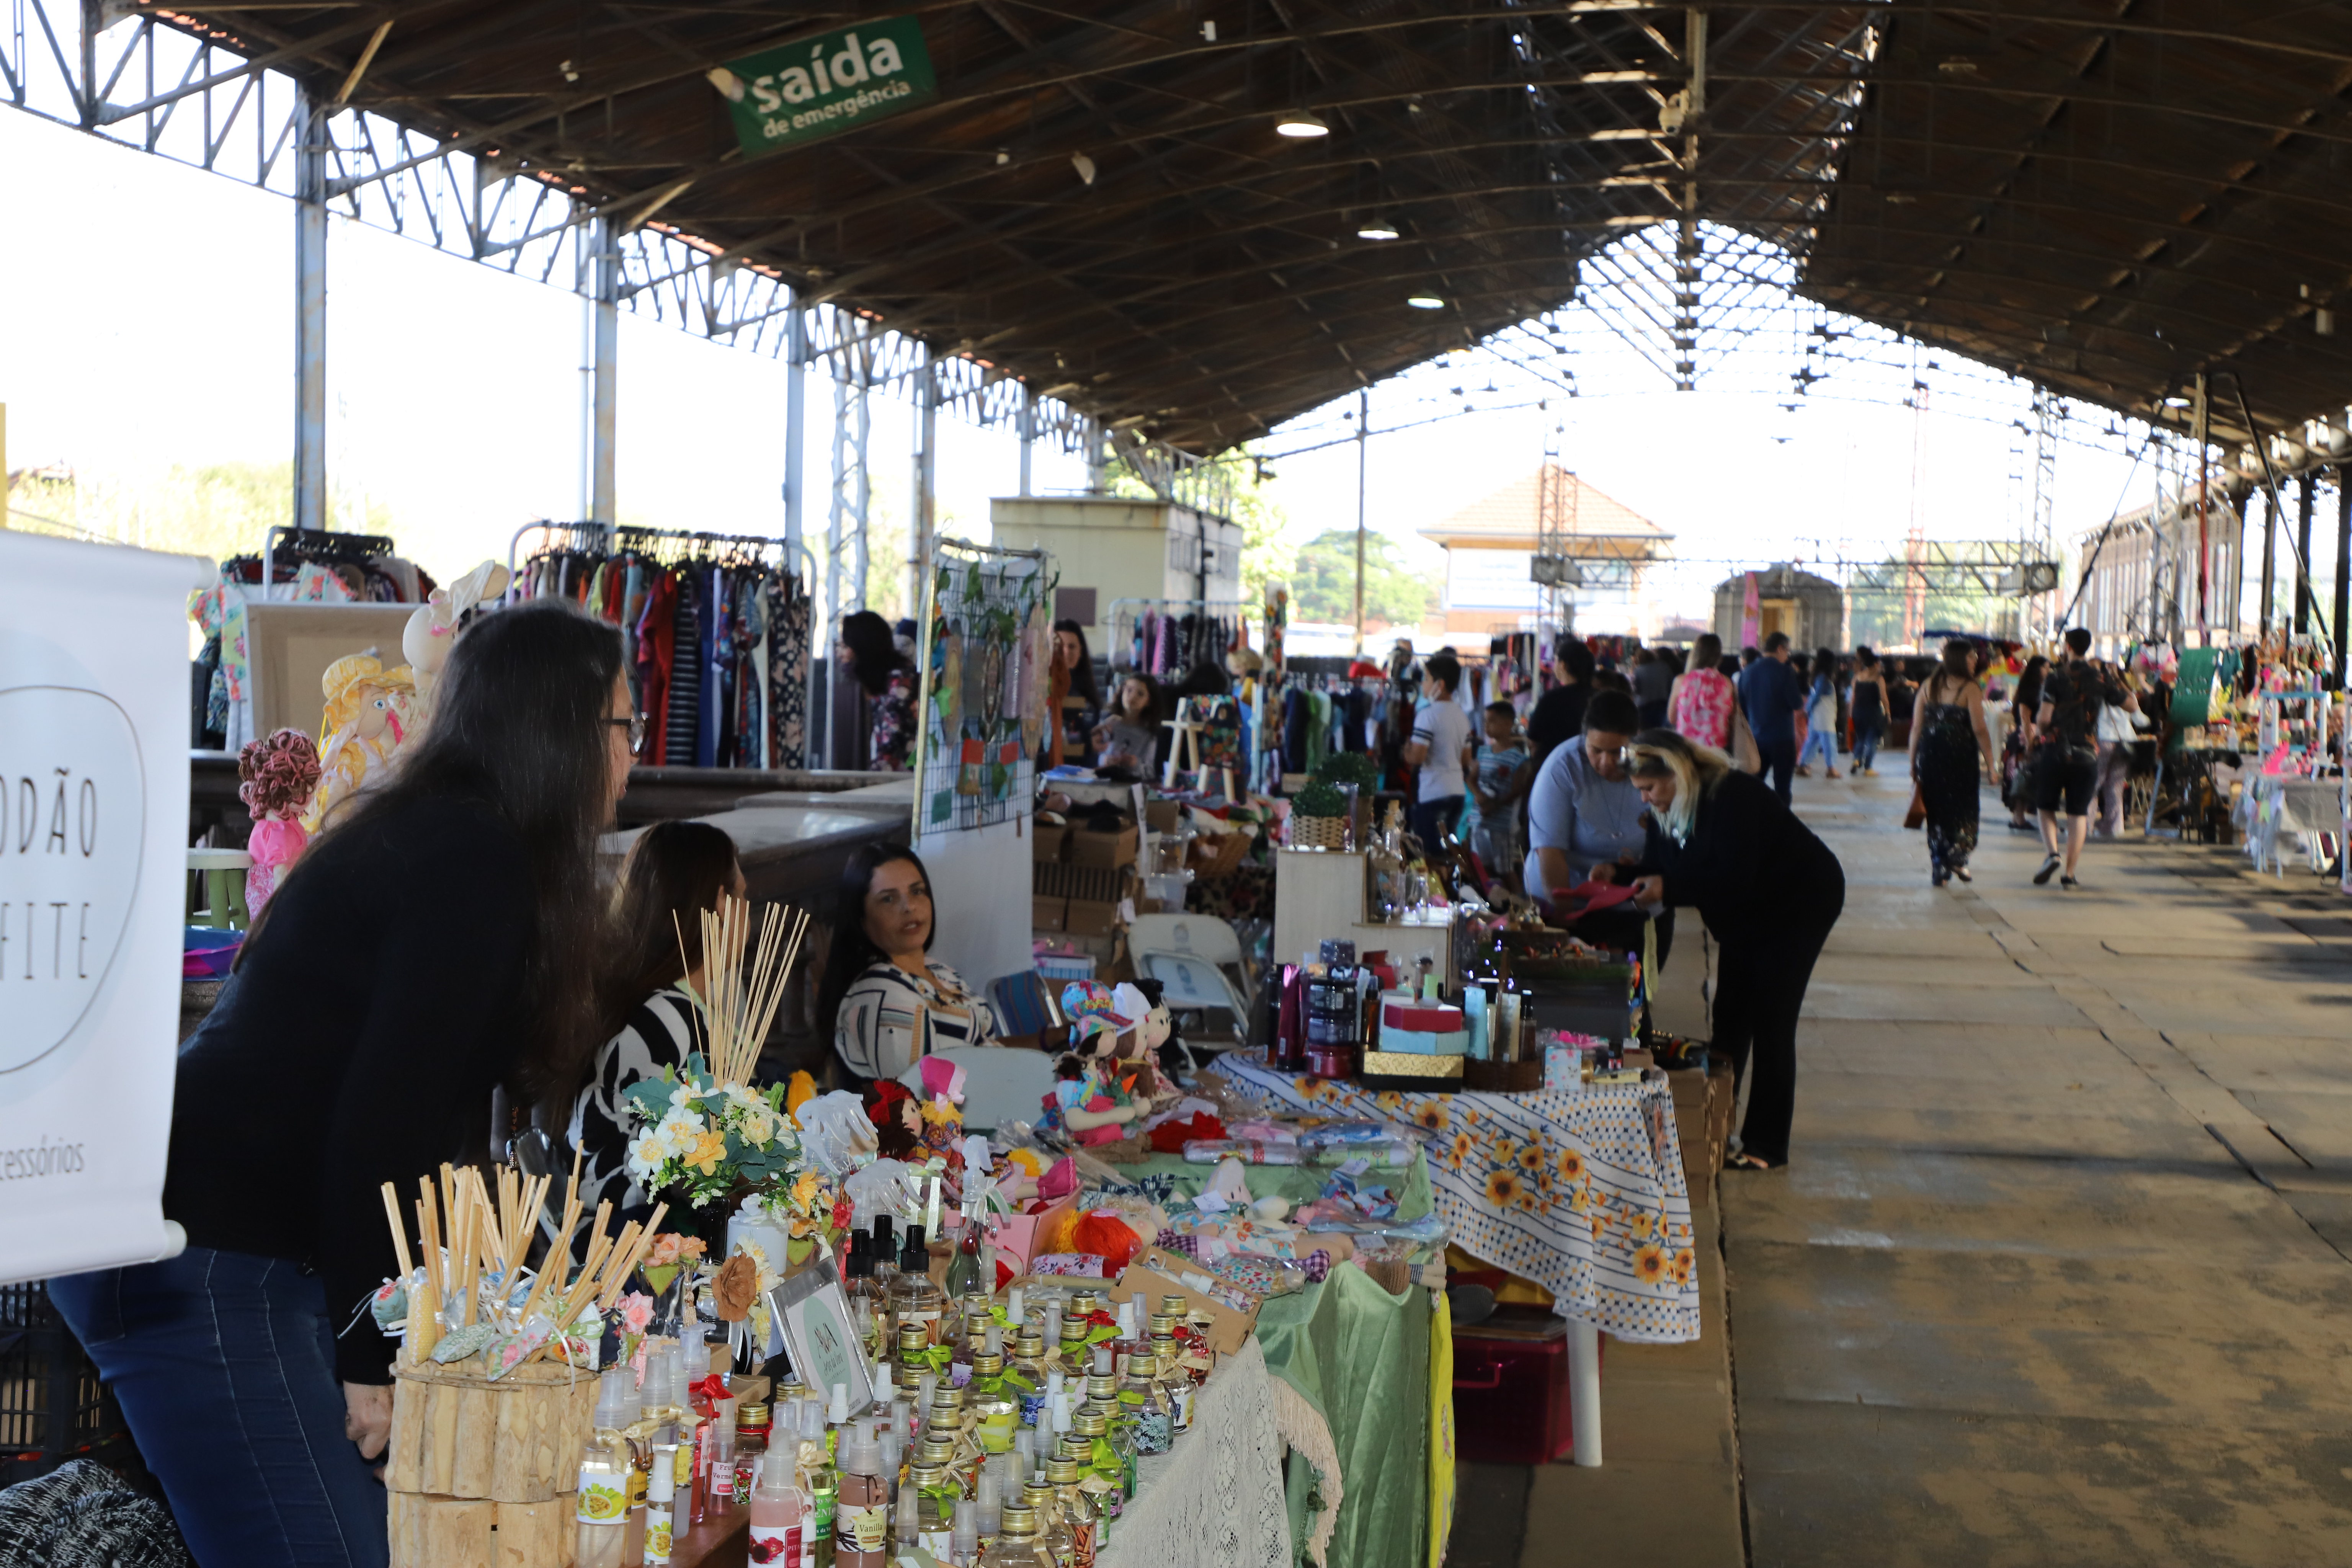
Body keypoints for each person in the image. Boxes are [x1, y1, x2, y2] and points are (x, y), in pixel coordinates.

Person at [48, 601, 629, 1568]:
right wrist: (370, 1359)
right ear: (558, 730)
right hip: (202, 1248)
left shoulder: (443, 836)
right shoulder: (470, 856)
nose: (633, 756)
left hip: (213, 1235)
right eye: (622, 727)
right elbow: (381, 1126)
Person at [1626, 729, 1844, 1172]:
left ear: (1677, 773)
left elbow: (1734, 876)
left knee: (1771, 1018)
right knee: (1730, 1014)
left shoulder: (1732, 796)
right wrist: (1622, 874)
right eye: (1640, 792)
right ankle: (1714, 1125)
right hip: (1747, 910)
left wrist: (1670, 887)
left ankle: (1766, 1144)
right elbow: (1660, 865)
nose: (1647, 799)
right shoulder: (1671, 808)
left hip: (1798, 900)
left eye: (1650, 788)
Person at [566, 820, 747, 1243]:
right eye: (744, 895)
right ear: (721, 904)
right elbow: (692, 1170)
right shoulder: (666, 1016)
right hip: (632, 1249)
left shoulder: (669, 1003)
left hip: (648, 1235)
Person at [819, 842, 1000, 1085]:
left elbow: (988, 1047)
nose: (909, 907)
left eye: (917, 892)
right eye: (888, 899)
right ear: (861, 919)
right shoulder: (882, 993)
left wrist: (1049, 1041)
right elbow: (919, 1098)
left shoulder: (938, 971)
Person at [1523, 689, 1655, 931]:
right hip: (1566, 895)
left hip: (1635, 895)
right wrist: (1565, 923)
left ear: (1636, 740)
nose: (1606, 762)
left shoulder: (1655, 764)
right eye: (1596, 751)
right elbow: (1550, 853)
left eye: (1618, 752)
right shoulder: (1562, 768)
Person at [2034, 628, 2133, 888]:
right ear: (2088, 647)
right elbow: (2132, 705)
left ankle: (2053, 853)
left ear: (2068, 646)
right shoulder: (2100, 678)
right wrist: (2115, 680)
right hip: (2088, 753)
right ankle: (2069, 873)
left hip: (2056, 751)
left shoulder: (2056, 678)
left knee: (2046, 807)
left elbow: (2044, 719)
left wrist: (2042, 732)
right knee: (2078, 813)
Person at [1913, 638, 1996, 887]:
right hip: (1960, 760)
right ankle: (1957, 858)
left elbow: (1917, 727)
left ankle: (1940, 865)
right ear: (1961, 660)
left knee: (1936, 812)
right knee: (1964, 811)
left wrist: (1913, 762)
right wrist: (1992, 765)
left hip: (1930, 758)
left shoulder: (1929, 686)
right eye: (1971, 657)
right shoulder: (1971, 689)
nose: (1975, 661)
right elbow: (1980, 729)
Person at [1403, 650, 1473, 849]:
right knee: (1449, 849)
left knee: (1431, 853)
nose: (1423, 684)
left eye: (1426, 679)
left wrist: (1407, 750)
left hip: (1433, 792)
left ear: (1439, 685)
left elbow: (1418, 758)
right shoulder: (1462, 716)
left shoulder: (1428, 715)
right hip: (1457, 793)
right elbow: (1466, 760)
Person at [1459, 699, 1533, 884]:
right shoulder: (1483, 752)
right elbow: (1472, 779)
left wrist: (1494, 805)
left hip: (1502, 823)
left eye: (1492, 721)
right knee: (1482, 868)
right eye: (1485, 721)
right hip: (1480, 820)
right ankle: (1494, 902)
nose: (1486, 726)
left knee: (1506, 869)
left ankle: (1519, 903)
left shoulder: (1518, 759)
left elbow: (1517, 790)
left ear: (1508, 724)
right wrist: (1479, 796)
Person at [839, 608, 917, 771]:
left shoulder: (899, 683)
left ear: (862, 648)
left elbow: (890, 752)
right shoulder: (887, 681)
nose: (840, 654)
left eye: (845, 646)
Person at [1738, 631, 1806, 802]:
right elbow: (1797, 704)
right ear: (1780, 649)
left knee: (1754, 785)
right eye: (1788, 652)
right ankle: (1780, 824)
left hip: (1756, 739)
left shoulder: (1747, 672)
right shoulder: (1785, 672)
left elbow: (1742, 707)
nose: (1787, 656)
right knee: (1782, 788)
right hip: (1782, 739)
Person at [1525, 637, 1594, 765]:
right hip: (1591, 767)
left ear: (1563, 665)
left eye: (1555, 661)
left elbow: (1533, 740)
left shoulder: (1552, 699)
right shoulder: (1599, 697)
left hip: (1555, 766)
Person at [1666, 632, 1740, 751]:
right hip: (1718, 751)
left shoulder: (1681, 681)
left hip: (1687, 749)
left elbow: (1672, 718)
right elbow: (1732, 720)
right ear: (1719, 657)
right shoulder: (1728, 684)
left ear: (1695, 654)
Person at [2002, 655, 2048, 831]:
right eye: (2045, 667)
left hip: (2031, 738)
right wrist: (2030, 743)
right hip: (2026, 739)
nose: (2048, 671)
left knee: (2025, 778)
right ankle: (2019, 818)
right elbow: (2025, 718)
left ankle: (2019, 817)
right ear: (2037, 670)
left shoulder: (2039, 689)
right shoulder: (2030, 691)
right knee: (2022, 777)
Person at [1047, 619, 1100, 767]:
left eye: (1072, 647)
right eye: (1060, 646)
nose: (1066, 652)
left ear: (1080, 652)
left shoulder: (1087, 690)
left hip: (1083, 773)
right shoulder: (1042, 687)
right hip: (1050, 771)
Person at [1091, 672, 1162, 775]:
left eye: (1140, 694)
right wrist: (1105, 760)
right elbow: (1093, 756)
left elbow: (1150, 772)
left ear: (1149, 701)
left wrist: (1135, 764)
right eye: (1129, 690)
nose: (1133, 697)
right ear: (1123, 690)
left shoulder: (1149, 733)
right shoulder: (1109, 722)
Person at [1795, 647, 1842, 779]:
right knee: (1829, 742)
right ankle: (1831, 768)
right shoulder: (1824, 679)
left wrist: (1808, 710)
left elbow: (1814, 696)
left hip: (1817, 715)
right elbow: (1817, 697)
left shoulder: (1818, 677)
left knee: (1812, 741)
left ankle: (1803, 764)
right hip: (1824, 716)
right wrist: (1808, 709)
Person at [1848, 648, 1887, 777]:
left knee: (1861, 738)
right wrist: (1888, 712)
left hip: (1858, 712)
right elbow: (1884, 698)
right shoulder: (1878, 678)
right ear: (1876, 664)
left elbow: (1853, 697)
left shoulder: (1858, 677)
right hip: (1873, 713)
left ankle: (1856, 760)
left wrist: (1851, 713)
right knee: (1872, 740)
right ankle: (1868, 767)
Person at [1630, 646, 1674, 730]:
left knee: (1646, 734)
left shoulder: (1638, 670)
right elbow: (1671, 686)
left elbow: (1636, 690)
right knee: (1661, 732)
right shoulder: (1664, 667)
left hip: (1644, 707)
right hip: (1663, 704)